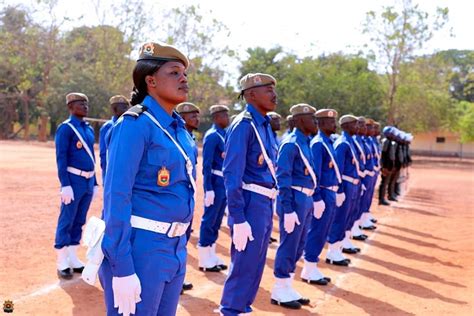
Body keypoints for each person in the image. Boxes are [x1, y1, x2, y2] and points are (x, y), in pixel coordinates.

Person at [99, 42, 196, 316]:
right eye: (174, 72)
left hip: (175, 249)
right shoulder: (134, 125)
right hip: (142, 248)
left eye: (184, 73)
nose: (183, 78)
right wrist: (122, 267)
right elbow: (117, 195)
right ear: (151, 81)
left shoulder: (180, 130)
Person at [220, 73, 278, 315]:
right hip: (250, 201)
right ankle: (230, 309)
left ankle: (242, 307)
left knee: (256, 263)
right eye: (268, 90)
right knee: (244, 263)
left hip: (265, 201)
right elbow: (231, 173)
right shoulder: (244, 125)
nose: (274, 95)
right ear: (252, 94)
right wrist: (238, 217)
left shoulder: (263, 124)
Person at [271, 104, 316, 309]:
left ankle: (287, 285)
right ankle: (279, 288)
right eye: (310, 118)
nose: (314, 122)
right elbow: (283, 177)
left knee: (299, 243)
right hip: (294, 198)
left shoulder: (305, 142)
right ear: (299, 121)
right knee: (289, 243)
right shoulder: (291, 144)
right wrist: (287, 209)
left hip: (305, 198)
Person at [54, 92, 99, 280]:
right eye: (80, 103)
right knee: (67, 218)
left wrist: (95, 181)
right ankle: (61, 260)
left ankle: (72, 256)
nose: (85, 106)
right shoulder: (66, 128)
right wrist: (65, 185)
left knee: (80, 219)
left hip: (87, 181)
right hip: (73, 181)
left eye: (86, 103)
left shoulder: (88, 128)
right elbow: (61, 158)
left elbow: (91, 157)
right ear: (71, 107)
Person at [303, 109, 347, 274]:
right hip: (322, 192)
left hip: (331, 192)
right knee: (317, 230)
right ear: (321, 124)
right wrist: (317, 197)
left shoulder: (328, 142)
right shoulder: (318, 143)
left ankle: (313, 265)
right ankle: (309, 266)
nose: (334, 125)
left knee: (323, 230)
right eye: (330, 122)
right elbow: (316, 175)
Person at [198, 104, 230, 272]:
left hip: (223, 183)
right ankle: (204, 257)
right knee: (209, 218)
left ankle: (211, 252)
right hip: (215, 182)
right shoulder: (212, 136)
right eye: (224, 115)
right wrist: (208, 188)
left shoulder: (224, 134)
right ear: (216, 117)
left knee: (217, 219)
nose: (227, 118)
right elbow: (207, 164)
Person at [328, 114, 361, 262]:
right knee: (340, 218)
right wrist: (339, 190)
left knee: (347, 216)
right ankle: (332, 251)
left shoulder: (349, 142)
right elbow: (338, 170)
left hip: (352, 184)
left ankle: (339, 247)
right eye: (354, 124)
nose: (357, 127)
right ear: (346, 126)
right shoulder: (342, 143)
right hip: (345, 185)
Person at [176, 101, 201, 294]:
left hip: (188, 196)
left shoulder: (190, 138)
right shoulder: (178, 137)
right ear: (183, 118)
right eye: (193, 115)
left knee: (184, 237)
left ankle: (178, 276)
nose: (197, 119)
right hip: (177, 196)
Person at [99, 95, 130, 183]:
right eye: (123, 108)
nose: (127, 110)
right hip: (112, 172)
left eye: (127, 107)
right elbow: (104, 153)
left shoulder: (128, 126)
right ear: (114, 109)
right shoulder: (108, 127)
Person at [379, 126, 396, 205]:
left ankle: (384, 197)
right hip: (386, 166)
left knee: (386, 182)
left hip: (389, 166)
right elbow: (383, 154)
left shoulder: (390, 141)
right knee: (384, 182)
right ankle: (381, 199)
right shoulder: (386, 141)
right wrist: (383, 167)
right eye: (392, 133)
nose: (393, 135)